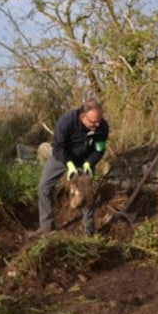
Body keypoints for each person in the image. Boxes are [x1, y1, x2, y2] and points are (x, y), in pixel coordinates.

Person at [37, 98, 109, 235]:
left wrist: (89, 162)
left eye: (99, 120)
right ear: (83, 116)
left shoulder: (102, 126)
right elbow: (58, 147)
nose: (97, 124)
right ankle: (46, 227)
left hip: (85, 159)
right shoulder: (66, 122)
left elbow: (100, 149)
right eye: (93, 122)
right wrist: (69, 164)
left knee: (86, 194)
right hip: (63, 156)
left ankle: (88, 232)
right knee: (44, 187)